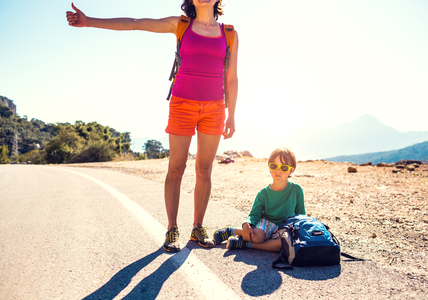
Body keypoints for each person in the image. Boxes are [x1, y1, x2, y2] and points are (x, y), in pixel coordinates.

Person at [66, 0, 238, 253]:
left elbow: (231, 77)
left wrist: (231, 114)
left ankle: (198, 227)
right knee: (176, 167)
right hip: (182, 104)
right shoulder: (180, 25)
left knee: (204, 169)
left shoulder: (230, 33)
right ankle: (172, 229)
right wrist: (90, 21)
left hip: (214, 108)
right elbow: (135, 24)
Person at [214, 148, 305, 252]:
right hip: (265, 225)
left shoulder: (296, 190)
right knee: (258, 237)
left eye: (284, 167)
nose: (278, 171)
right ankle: (233, 230)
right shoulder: (263, 193)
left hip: (284, 227)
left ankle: (244, 244)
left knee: (283, 244)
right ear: (269, 167)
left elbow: (301, 215)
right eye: (274, 166)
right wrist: (246, 224)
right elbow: (254, 215)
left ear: (291, 170)